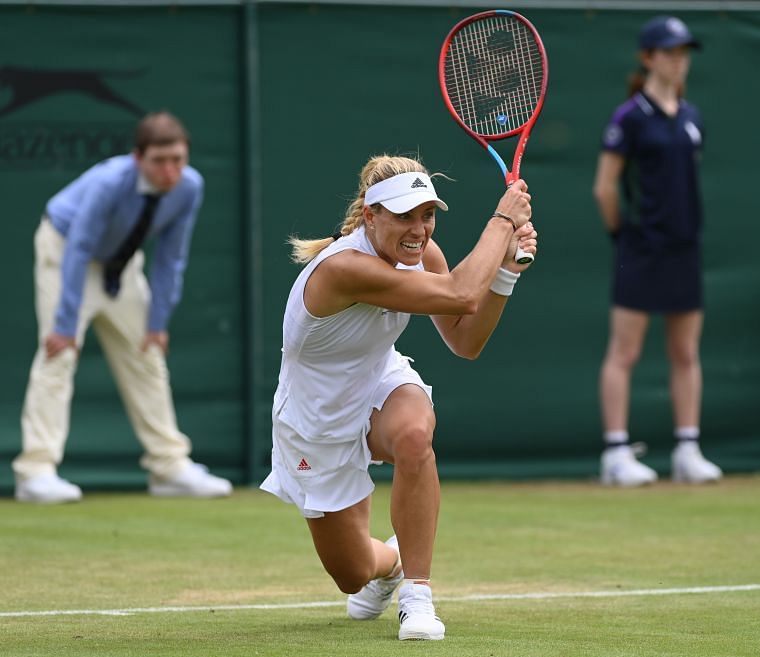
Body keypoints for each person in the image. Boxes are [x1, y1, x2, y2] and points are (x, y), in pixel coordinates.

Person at [261, 154, 536, 640]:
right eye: (405, 216)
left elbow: (465, 338)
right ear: (371, 215)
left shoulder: (421, 255)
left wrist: (506, 272)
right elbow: (460, 294)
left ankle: (418, 595)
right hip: (315, 420)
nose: (420, 229)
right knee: (353, 573)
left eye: (427, 215)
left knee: (414, 436)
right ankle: (391, 566)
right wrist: (503, 219)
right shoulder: (345, 269)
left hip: (379, 379)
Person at [13, 111, 232, 503]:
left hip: (122, 264)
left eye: (178, 160)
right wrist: (64, 324)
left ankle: (168, 467)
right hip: (65, 251)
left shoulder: (188, 188)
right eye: (159, 161)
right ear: (138, 158)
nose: (169, 170)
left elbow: (171, 257)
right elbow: (79, 247)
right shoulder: (109, 182)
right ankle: (35, 472)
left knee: (148, 353)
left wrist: (158, 321)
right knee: (58, 354)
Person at [593, 16, 723, 487]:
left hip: (685, 247)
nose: (678, 60)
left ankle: (688, 449)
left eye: (683, 52)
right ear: (648, 58)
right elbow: (605, 188)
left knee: (686, 351)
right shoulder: (628, 118)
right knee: (624, 352)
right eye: (669, 52)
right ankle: (615, 453)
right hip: (641, 248)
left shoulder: (692, 117)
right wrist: (623, 236)